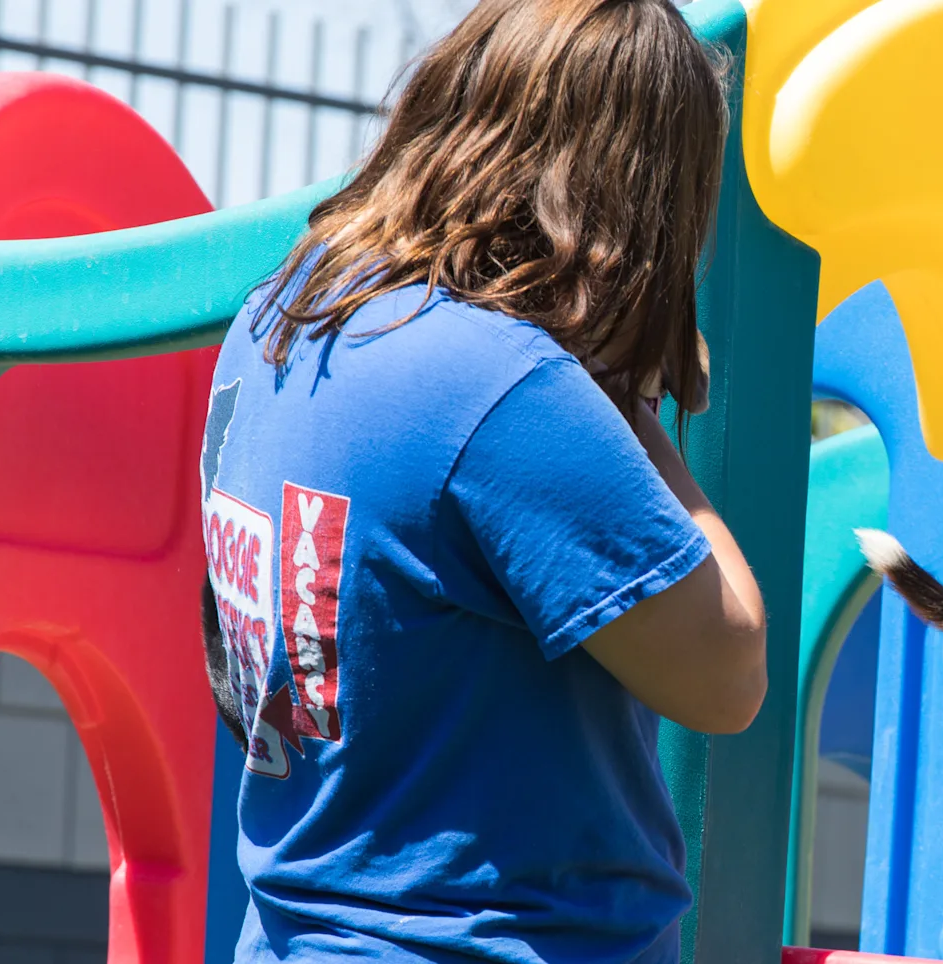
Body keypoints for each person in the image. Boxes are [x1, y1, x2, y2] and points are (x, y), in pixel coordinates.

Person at [196, 0, 766, 959]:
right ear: (636, 194)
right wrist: (631, 413)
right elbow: (729, 672)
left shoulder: (277, 319)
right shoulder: (506, 388)